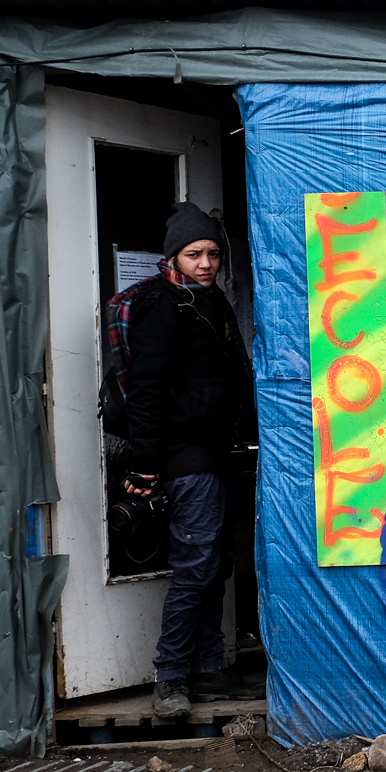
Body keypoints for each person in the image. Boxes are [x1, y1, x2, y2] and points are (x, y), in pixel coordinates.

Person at [123, 202, 258, 718]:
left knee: (217, 562)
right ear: (174, 256)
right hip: (185, 455)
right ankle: (171, 675)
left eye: (213, 254)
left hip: (218, 450)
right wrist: (144, 463)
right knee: (196, 564)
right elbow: (147, 389)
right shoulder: (163, 305)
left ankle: (211, 667)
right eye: (194, 254)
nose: (205, 263)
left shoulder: (211, 302)